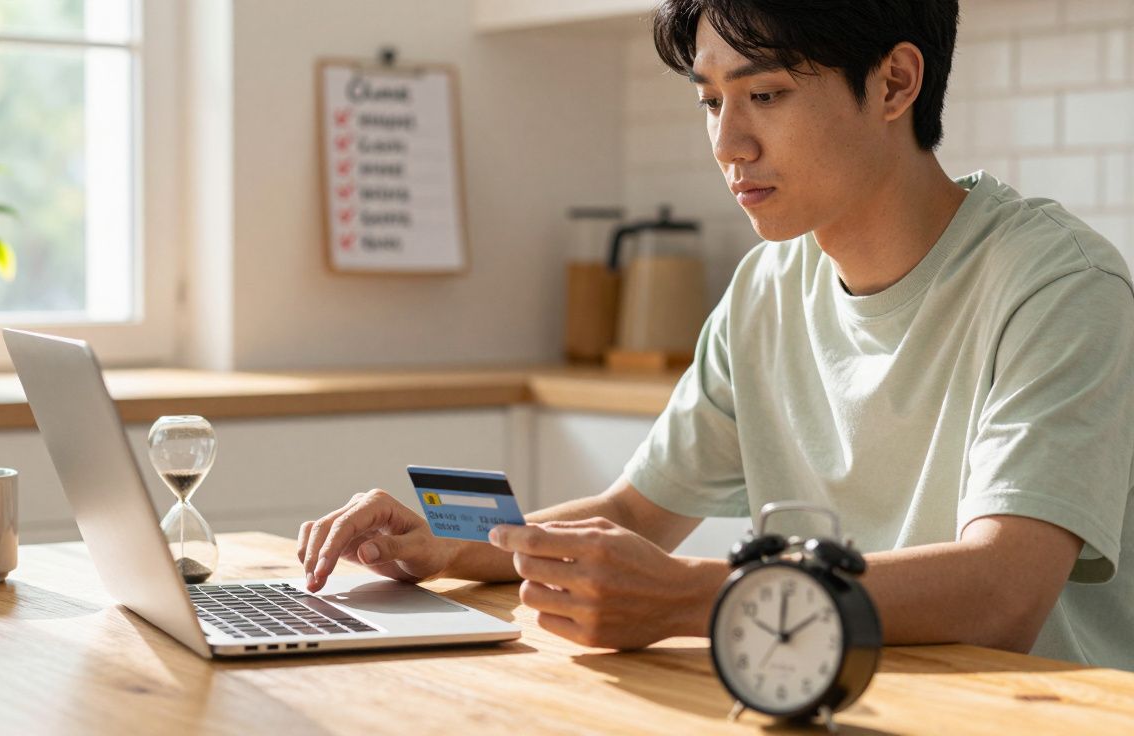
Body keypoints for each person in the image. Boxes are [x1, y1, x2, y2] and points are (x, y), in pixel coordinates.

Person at [297, 0, 1134, 669]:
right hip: (829, 694)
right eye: (709, 100)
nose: (728, 144)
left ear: (894, 83)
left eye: (764, 94)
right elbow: (634, 514)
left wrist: (697, 598)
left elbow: (1002, 590)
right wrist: (445, 544)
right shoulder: (767, 288)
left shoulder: (1058, 286)